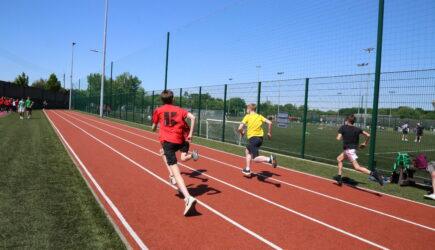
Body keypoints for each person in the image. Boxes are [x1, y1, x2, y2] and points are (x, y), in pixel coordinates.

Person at [152, 89, 199, 216]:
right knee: (162, 152)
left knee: (176, 171)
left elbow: (153, 127)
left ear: (162, 100)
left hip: (168, 142)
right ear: (173, 99)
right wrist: (190, 134)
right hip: (180, 140)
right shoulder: (180, 110)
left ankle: (188, 197)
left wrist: (154, 127)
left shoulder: (158, 110)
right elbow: (193, 117)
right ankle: (172, 176)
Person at [336, 114, 383, 186]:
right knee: (339, 159)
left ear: (348, 120)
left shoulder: (343, 127)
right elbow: (368, 135)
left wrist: (343, 136)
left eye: (346, 120)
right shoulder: (357, 129)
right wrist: (365, 143)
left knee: (357, 167)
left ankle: (374, 174)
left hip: (349, 150)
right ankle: (339, 177)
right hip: (352, 149)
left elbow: (338, 138)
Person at [237, 103, 277, 176]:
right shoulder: (259, 116)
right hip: (260, 139)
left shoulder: (247, 116)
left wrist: (242, 132)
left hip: (253, 139)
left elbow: (239, 128)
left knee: (255, 159)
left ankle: (270, 159)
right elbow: (270, 123)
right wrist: (269, 133)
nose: (246, 110)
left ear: (249, 109)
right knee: (247, 151)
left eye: (247, 109)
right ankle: (247, 169)